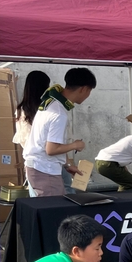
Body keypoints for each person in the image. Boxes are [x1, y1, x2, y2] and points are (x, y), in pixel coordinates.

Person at [23, 68, 96, 197]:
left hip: (38, 167)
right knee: (52, 208)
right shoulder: (59, 114)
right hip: (45, 170)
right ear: (84, 89)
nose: (88, 95)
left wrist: (67, 165)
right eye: (89, 91)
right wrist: (75, 145)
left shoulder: (50, 103)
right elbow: (51, 149)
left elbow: (52, 143)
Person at [12, 70, 51, 148]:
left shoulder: (20, 110)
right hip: (46, 153)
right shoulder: (47, 109)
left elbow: (22, 139)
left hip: (29, 153)